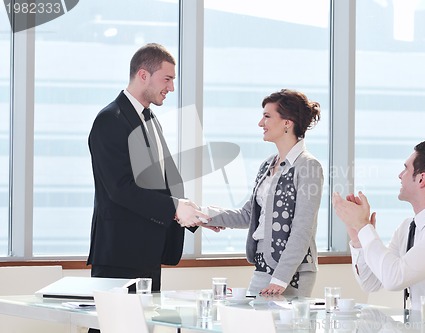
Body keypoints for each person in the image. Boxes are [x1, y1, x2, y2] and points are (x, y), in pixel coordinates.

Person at [87, 43, 210, 298]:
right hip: (120, 253)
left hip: (148, 251)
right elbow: (121, 189)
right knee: (114, 326)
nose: (171, 88)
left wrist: (191, 213)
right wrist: (175, 207)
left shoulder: (151, 119)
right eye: (167, 79)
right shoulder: (110, 119)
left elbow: (159, 183)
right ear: (143, 75)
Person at [181, 89, 324, 297]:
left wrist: (281, 278)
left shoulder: (309, 166)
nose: (260, 123)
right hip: (263, 264)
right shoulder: (268, 164)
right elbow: (248, 215)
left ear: (287, 122)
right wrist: (201, 214)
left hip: (292, 271)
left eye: (267, 116)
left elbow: (303, 229)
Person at [332, 141, 425, 315]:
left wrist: (364, 226)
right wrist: (358, 237)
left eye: (405, 169)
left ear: (421, 179)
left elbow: (394, 278)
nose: (399, 175)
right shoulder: (408, 227)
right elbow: (370, 283)